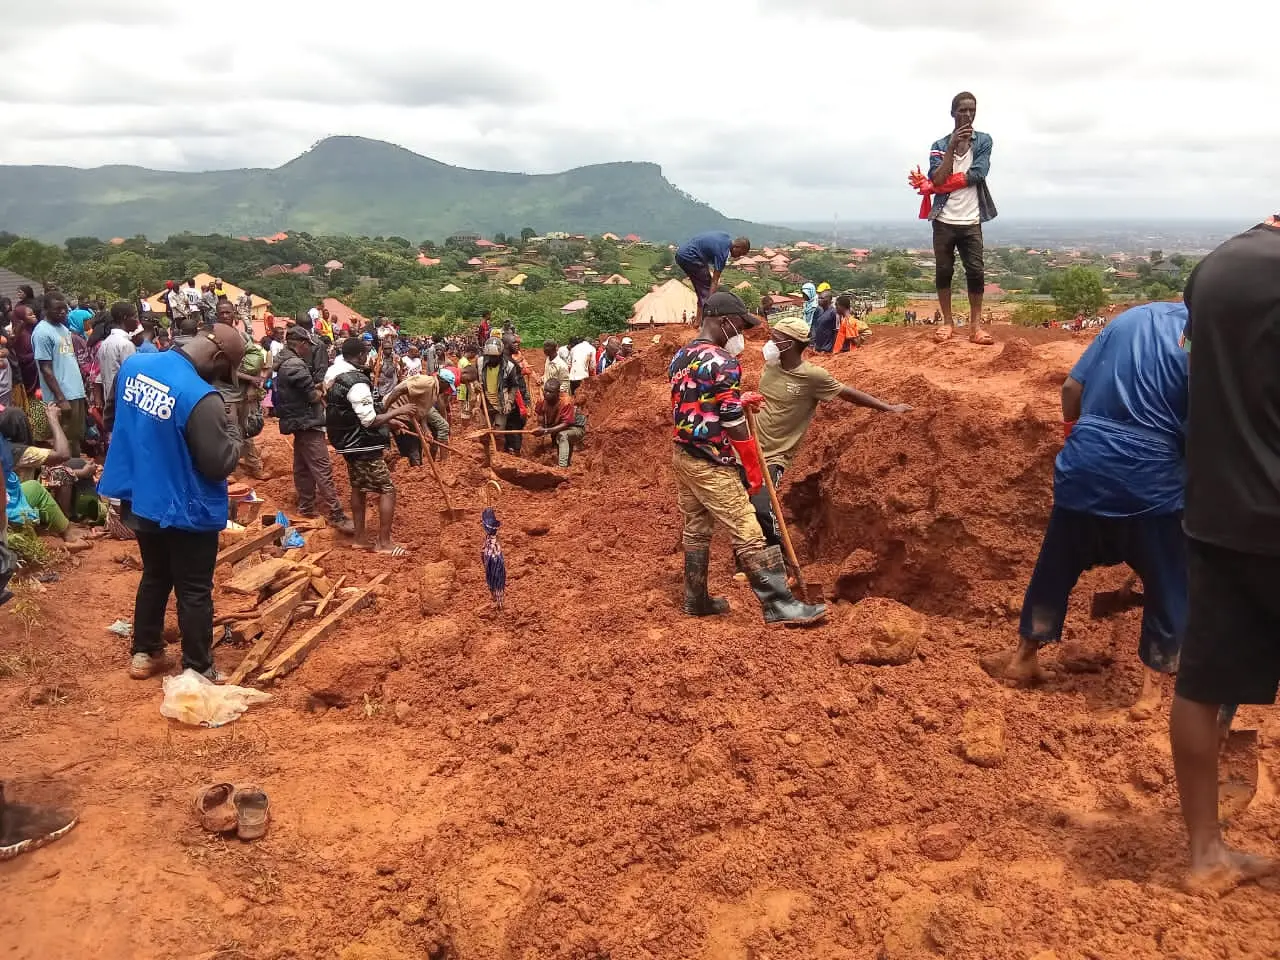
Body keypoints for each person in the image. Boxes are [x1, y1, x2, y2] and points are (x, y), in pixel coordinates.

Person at [981, 302, 1190, 719]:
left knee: (1055, 565)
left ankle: (1025, 657)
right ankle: (1150, 692)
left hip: (1084, 468)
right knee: (1171, 583)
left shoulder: (1130, 318)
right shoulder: (1214, 342)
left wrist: (1077, 442)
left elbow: (1070, 390)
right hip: (1154, 485)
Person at [1169, 217, 1280, 890]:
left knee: (1201, 686)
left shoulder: (1214, 270)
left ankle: (1205, 854)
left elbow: (1194, 373)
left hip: (1218, 511)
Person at [668, 291, 826, 626]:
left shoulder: (681, 355)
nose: (741, 333)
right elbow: (730, 422)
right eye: (739, 325)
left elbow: (698, 404)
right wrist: (752, 463)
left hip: (683, 453)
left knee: (697, 528)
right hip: (711, 461)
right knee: (747, 528)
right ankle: (779, 606)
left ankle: (695, 599)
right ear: (723, 321)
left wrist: (737, 401)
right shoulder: (725, 363)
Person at [99, 324, 246, 681]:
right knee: (194, 589)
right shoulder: (199, 396)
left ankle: (145, 652)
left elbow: (112, 417)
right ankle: (198, 667)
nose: (224, 379)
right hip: (185, 506)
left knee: (155, 574)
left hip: (141, 495)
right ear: (217, 358)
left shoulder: (135, 366)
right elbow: (218, 464)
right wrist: (235, 431)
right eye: (226, 370)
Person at [751, 316, 911, 547]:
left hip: (774, 453)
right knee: (744, 507)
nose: (769, 343)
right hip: (749, 447)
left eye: (775, 339)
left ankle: (781, 562)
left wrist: (888, 408)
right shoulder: (771, 366)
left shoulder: (813, 377)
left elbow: (847, 393)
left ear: (792, 344)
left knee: (762, 507)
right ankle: (748, 562)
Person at [324, 337, 413, 556]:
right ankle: (384, 543)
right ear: (361, 355)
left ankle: (361, 538)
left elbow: (351, 411)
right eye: (367, 353)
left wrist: (389, 421)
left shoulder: (333, 374)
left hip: (347, 442)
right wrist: (397, 412)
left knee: (358, 486)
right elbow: (369, 421)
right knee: (387, 490)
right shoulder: (357, 381)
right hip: (362, 444)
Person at [925, 91, 997, 345]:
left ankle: (975, 326)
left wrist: (941, 183)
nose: (967, 114)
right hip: (944, 219)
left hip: (971, 220)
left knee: (975, 272)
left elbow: (978, 173)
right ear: (953, 113)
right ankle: (947, 323)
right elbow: (936, 178)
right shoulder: (939, 145)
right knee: (944, 271)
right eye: (962, 110)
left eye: (971, 110)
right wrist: (952, 148)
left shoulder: (984, 141)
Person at [274, 326, 354, 533]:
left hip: (298, 422)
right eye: (307, 345)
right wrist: (323, 391)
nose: (309, 349)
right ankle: (337, 514)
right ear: (300, 344)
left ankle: (306, 507)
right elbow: (311, 396)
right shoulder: (295, 365)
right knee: (322, 468)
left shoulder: (285, 362)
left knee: (302, 467)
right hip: (307, 421)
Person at [1, 406, 91, 551]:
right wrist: (53, 420)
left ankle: (70, 519)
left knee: (73, 464)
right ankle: (67, 529)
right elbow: (63, 454)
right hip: (11, 507)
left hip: (9, 499)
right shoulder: (19, 451)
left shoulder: (6, 445)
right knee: (58, 474)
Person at [213, 300, 267, 479]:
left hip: (243, 393)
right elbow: (222, 368)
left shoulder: (243, 337)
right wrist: (252, 378)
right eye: (222, 313)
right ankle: (230, 470)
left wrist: (251, 385)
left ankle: (254, 465)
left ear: (234, 314)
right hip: (224, 394)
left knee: (246, 431)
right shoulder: (212, 339)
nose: (226, 316)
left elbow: (255, 362)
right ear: (216, 315)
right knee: (230, 432)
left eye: (228, 313)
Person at [32, 293, 89, 457]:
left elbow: (69, 361)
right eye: (57, 309)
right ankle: (66, 478)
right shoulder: (42, 332)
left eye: (64, 308)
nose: (63, 312)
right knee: (65, 441)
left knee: (76, 437)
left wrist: (81, 392)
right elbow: (46, 369)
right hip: (62, 395)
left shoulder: (63, 328)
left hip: (74, 392)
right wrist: (61, 399)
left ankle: (77, 476)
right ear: (46, 309)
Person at [675, 232, 751, 322]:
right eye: (740, 253)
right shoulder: (722, 253)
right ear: (737, 247)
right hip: (691, 256)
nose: (738, 256)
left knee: (701, 289)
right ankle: (704, 322)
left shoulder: (725, 237)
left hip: (681, 253)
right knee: (707, 289)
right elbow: (715, 281)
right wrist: (711, 301)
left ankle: (698, 321)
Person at [385, 369, 451, 465]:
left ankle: (415, 469)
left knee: (416, 448)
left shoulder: (434, 390)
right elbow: (398, 389)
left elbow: (422, 411)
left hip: (407, 416)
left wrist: (426, 430)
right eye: (448, 386)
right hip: (397, 412)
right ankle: (413, 472)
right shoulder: (427, 383)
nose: (447, 390)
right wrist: (384, 411)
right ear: (443, 382)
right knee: (412, 449)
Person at [96, 301, 141, 434]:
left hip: (110, 398)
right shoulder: (125, 344)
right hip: (123, 400)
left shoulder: (106, 342)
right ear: (124, 318)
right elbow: (133, 377)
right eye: (134, 317)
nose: (137, 322)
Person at [534, 379, 584, 467]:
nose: (546, 394)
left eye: (550, 392)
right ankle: (566, 465)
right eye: (545, 391)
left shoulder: (566, 402)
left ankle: (562, 468)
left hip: (575, 428)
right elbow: (540, 415)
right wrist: (540, 427)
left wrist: (546, 430)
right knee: (560, 440)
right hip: (558, 426)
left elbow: (566, 423)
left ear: (557, 393)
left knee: (563, 435)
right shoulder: (542, 400)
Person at [810, 289, 837, 354]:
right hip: (818, 348)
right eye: (819, 298)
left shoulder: (833, 312)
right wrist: (815, 345)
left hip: (826, 350)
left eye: (821, 298)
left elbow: (835, 332)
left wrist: (828, 348)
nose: (819, 300)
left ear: (829, 300)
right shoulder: (820, 311)